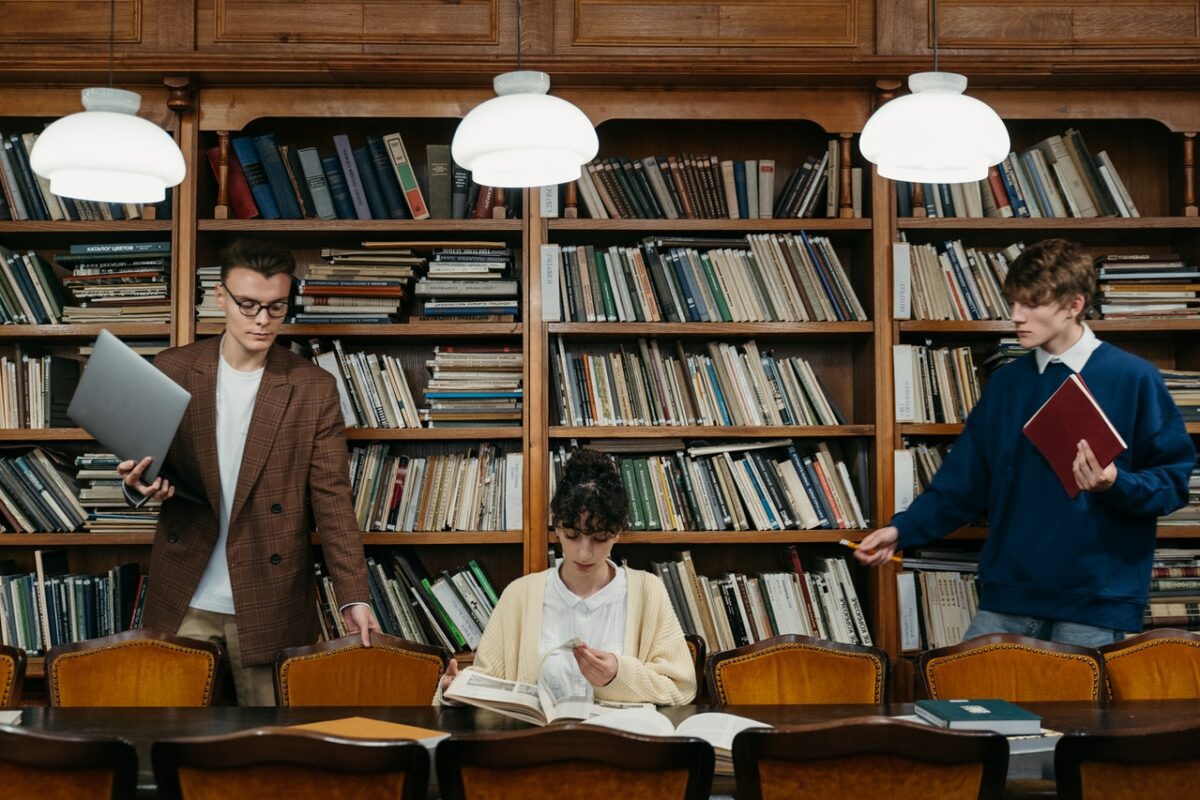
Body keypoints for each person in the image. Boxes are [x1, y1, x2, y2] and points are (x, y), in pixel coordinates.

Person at [855, 238, 1195, 647]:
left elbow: (1173, 484)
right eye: (1014, 302)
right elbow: (962, 483)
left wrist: (1114, 483)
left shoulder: (1134, 379)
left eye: (1032, 304)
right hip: (1008, 594)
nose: (1016, 316)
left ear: (1074, 304)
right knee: (968, 707)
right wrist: (901, 531)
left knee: (1081, 715)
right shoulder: (1006, 384)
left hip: (1096, 598)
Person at [118, 238, 379, 705]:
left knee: (271, 747)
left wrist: (354, 596)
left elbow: (333, 501)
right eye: (249, 305)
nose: (262, 320)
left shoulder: (313, 388)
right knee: (168, 740)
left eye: (276, 307)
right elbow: (146, 466)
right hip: (184, 592)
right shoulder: (172, 368)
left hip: (268, 597)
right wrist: (138, 485)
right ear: (220, 298)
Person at [437, 449, 695, 705]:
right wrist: (456, 691)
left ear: (617, 533)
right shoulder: (520, 595)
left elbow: (680, 689)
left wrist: (618, 675)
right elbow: (487, 681)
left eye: (599, 538)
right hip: (538, 742)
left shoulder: (648, 591)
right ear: (557, 526)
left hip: (619, 743)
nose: (584, 553)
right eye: (572, 536)